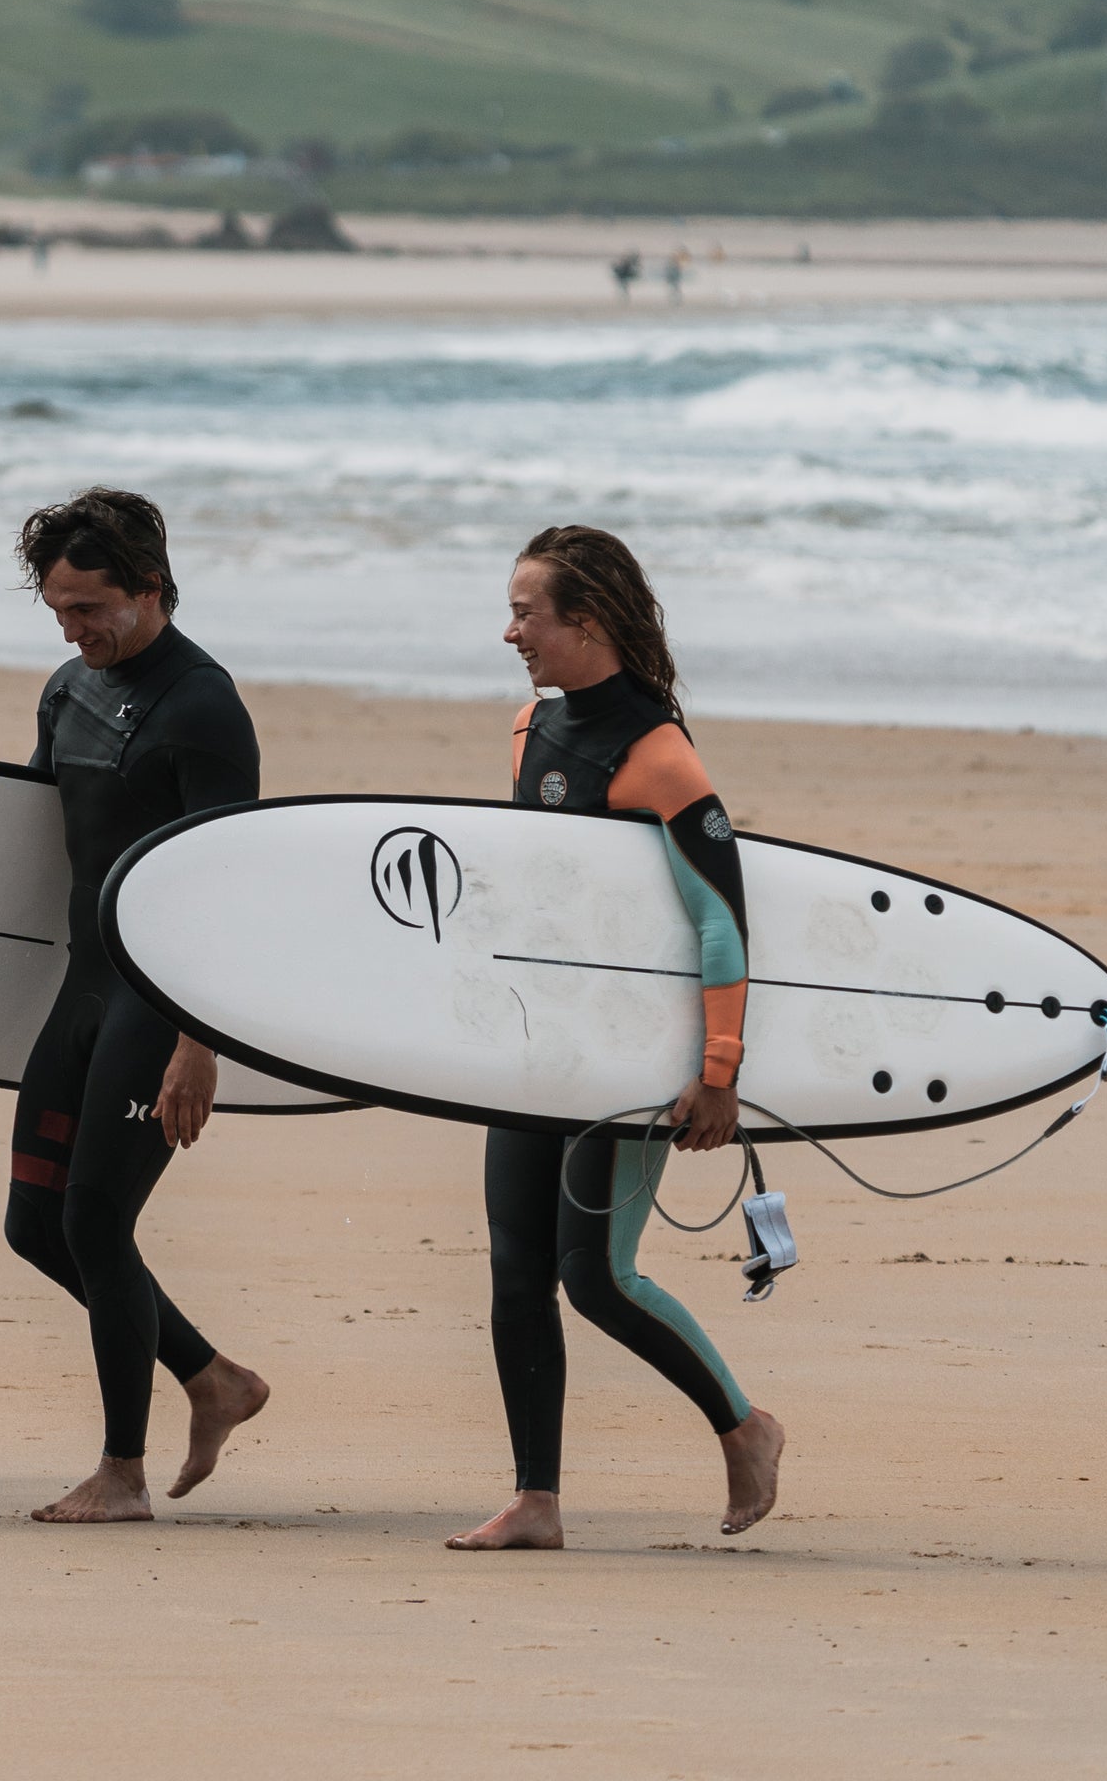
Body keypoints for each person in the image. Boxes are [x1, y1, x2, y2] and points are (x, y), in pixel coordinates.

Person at [449, 525, 786, 1552]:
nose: (510, 631)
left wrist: (716, 1073)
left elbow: (720, 921)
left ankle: (744, 1424)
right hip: (541, 1045)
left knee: (595, 1272)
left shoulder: (659, 755)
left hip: (632, 1059)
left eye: (526, 612)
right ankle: (536, 1500)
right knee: (516, 1269)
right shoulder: (527, 730)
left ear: (585, 621)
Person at [4, 488, 273, 1522]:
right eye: (60, 612)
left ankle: (122, 1471)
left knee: (96, 1221)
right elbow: (34, 848)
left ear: (151, 588)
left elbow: (228, 891)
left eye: (91, 610)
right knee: (36, 1224)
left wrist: (199, 1045)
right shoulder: (69, 689)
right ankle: (213, 1378)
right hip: (80, 989)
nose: (74, 631)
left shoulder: (202, 708)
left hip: (159, 1005)